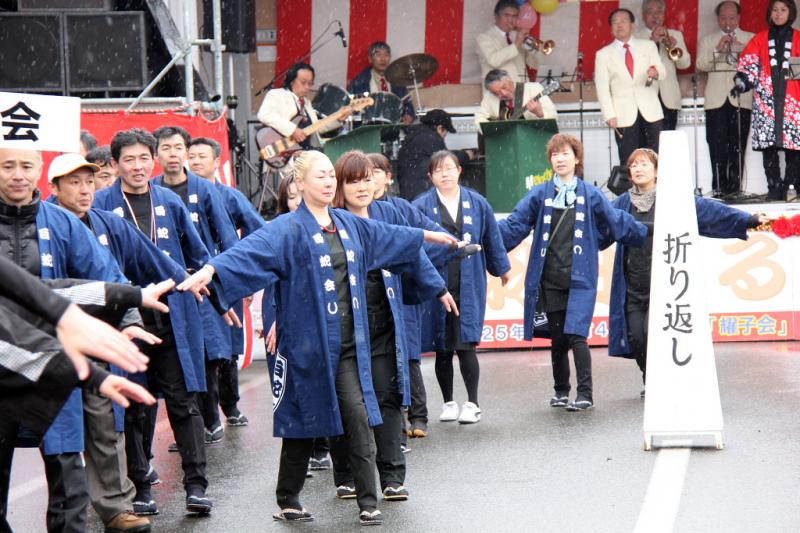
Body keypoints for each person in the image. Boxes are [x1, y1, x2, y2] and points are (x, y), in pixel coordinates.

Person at [177, 150, 459, 526]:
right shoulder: (287, 229)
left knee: (358, 416)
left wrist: (428, 235)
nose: (328, 182)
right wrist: (212, 270)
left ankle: (368, 501)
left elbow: (388, 235)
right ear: (300, 183)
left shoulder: (348, 224)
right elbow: (247, 252)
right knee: (304, 424)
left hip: (347, 348)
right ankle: (288, 496)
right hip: (307, 347)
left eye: (331, 175)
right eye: (321, 176)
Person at [0, 146, 144, 533]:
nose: (17, 174)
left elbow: (103, 276)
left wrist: (128, 318)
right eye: (7, 165)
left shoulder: (62, 223)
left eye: (25, 165)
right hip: (2, 365)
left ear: (38, 171)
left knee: (67, 472)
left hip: (55, 361)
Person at [48, 152, 190, 533]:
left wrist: (202, 284)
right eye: (73, 182)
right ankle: (65, 512)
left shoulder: (107, 225)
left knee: (106, 425)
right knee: (53, 430)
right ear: (54, 187)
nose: (84, 189)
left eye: (88, 181)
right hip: (47, 342)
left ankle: (115, 507)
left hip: (97, 341)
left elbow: (123, 274)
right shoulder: (41, 223)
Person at [94, 129, 215, 516]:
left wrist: (202, 281)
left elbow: (198, 254)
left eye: (144, 158)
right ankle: (141, 485)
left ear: (154, 160)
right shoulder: (100, 205)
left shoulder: (169, 202)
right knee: (135, 407)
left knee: (183, 401)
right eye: (128, 159)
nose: (137, 166)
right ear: (114, 165)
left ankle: (196, 485)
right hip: (124, 320)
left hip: (172, 317)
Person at [0, 256, 159, 533]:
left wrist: (132, 299)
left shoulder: (59, 222)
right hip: (32, 363)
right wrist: (86, 373)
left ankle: (115, 505)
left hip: (45, 372)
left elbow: (36, 291)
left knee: (72, 458)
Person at [329, 150, 455, 502]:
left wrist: (438, 287)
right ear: (340, 185)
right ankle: (347, 474)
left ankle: (392, 475)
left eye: (367, 178)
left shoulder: (386, 212)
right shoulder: (331, 219)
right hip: (344, 324)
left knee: (387, 394)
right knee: (348, 402)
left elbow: (410, 249)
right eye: (353, 181)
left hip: (383, 316)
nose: (362, 187)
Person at [498, 134, 648, 411]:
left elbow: (615, 222)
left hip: (581, 278)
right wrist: (489, 240)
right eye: (555, 155)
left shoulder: (590, 194)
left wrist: (646, 231)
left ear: (577, 158)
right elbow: (515, 224)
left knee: (577, 334)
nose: (560, 159)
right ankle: (560, 390)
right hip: (549, 277)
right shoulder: (541, 194)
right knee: (558, 338)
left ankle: (586, 393)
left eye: (566, 153)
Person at [605, 148, 767, 395]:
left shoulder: (673, 198)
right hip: (633, 284)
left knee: (653, 333)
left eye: (644, 164)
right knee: (636, 337)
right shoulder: (622, 203)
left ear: (657, 171)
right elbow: (601, 223)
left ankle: (658, 380)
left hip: (666, 283)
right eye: (634, 165)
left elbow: (710, 212)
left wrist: (747, 219)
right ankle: (649, 376)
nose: (637, 169)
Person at [152, 126, 240, 445]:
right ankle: (189, 425)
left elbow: (227, 237)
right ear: (156, 154)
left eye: (179, 148)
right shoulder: (151, 190)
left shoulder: (203, 189)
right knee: (177, 356)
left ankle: (211, 418)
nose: (173, 154)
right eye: (166, 148)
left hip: (202, 281)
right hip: (165, 286)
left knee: (208, 353)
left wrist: (227, 284)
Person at [413, 150, 511, 423]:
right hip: (437, 282)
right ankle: (448, 402)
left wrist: (501, 267)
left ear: (459, 171)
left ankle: (473, 402)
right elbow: (416, 245)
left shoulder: (477, 203)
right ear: (430, 176)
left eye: (449, 168)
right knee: (442, 345)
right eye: (438, 170)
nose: (445, 174)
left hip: (469, 280)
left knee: (466, 343)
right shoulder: (420, 206)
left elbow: (492, 236)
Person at [188, 136, 265, 427]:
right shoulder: (173, 195)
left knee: (227, 347)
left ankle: (230, 405)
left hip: (224, 278)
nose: (195, 161)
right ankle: (197, 416)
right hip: (188, 281)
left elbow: (257, 231)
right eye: (191, 156)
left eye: (201, 156)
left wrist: (245, 277)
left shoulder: (229, 196)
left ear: (216, 162)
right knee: (197, 349)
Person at [735, 0, 800, 201]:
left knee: (795, 149)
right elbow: (749, 65)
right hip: (766, 102)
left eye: (783, 10)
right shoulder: (760, 39)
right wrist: (742, 82)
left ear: (791, 12)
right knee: (769, 149)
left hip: (794, 102)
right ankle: (773, 187)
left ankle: (792, 187)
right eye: (775, 10)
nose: (779, 14)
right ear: (769, 13)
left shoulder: (799, 38)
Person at [696, 1, 754, 197]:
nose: (727, 22)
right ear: (718, 19)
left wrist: (741, 49)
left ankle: (736, 188)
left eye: (731, 18)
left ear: (738, 18)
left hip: (741, 99)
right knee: (716, 144)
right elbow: (701, 65)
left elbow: (756, 65)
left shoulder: (750, 38)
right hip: (715, 100)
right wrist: (718, 51)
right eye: (723, 18)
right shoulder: (707, 40)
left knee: (738, 145)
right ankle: (719, 187)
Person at [595, 8, 666, 165]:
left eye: (623, 21)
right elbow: (602, 88)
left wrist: (655, 72)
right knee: (629, 159)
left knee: (656, 157)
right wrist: (609, 114)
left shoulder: (648, 46)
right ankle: (631, 190)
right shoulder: (603, 54)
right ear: (611, 28)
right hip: (622, 114)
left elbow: (662, 71)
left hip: (650, 111)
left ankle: (657, 189)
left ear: (633, 25)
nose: (619, 25)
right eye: (615, 22)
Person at [257, 63, 347, 149]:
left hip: (306, 151)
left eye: (310, 83)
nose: (307, 87)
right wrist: (293, 130)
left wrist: (338, 118)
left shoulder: (306, 103)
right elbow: (264, 115)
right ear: (292, 81)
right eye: (303, 82)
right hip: (284, 152)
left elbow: (316, 128)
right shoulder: (277, 94)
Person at [634, 0, 691, 131]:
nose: (655, 16)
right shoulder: (635, 38)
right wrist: (653, 42)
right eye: (650, 12)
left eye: (659, 12)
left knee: (667, 143)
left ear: (664, 15)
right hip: (645, 96)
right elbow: (635, 67)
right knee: (647, 145)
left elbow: (685, 64)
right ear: (643, 15)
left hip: (668, 99)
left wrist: (673, 46)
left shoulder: (675, 35)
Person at [396, 109, 473, 201]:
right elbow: (446, 160)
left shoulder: (414, 137)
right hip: (422, 193)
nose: (444, 137)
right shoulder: (432, 138)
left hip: (408, 192)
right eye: (445, 133)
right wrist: (466, 155)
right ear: (440, 128)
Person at [347, 41, 415, 123]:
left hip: (395, 127)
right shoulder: (359, 82)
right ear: (370, 59)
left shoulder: (398, 81)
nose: (383, 59)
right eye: (378, 55)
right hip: (369, 128)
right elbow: (352, 110)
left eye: (386, 55)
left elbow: (408, 105)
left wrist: (409, 115)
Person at [476, 0, 542, 83]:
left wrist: (533, 50)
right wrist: (516, 44)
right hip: (500, 93)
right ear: (496, 16)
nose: (510, 20)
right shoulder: (483, 38)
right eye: (506, 15)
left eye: (514, 16)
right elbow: (493, 61)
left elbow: (534, 65)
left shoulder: (517, 36)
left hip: (522, 91)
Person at [475, 68, 558, 126]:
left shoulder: (534, 89)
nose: (503, 94)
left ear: (510, 80)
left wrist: (540, 113)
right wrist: (494, 130)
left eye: (504, 87)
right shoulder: (489, 97)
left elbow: (554, 118)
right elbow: (479, 119)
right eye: (496, 93)